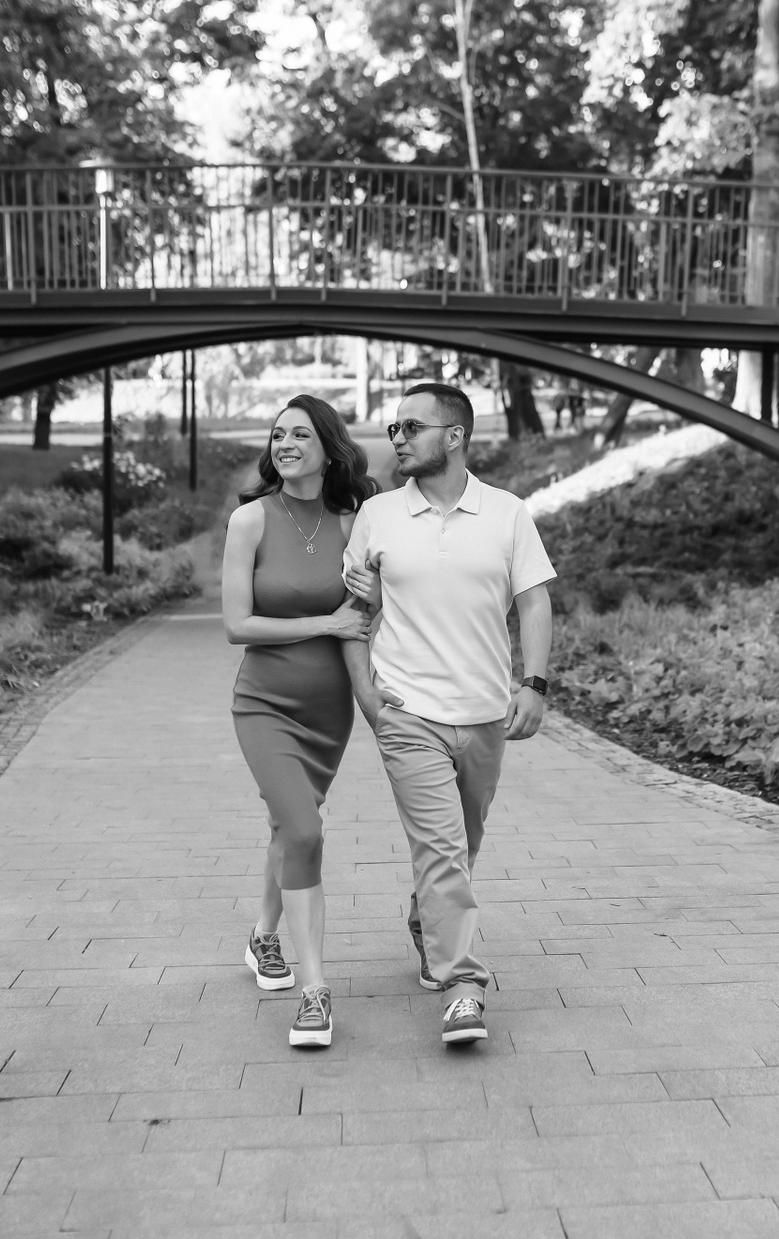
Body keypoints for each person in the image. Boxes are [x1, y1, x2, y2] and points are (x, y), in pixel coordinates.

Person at [342, 382, 556, 1046]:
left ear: (455, 435)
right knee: (441, 848)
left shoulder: (507, 512)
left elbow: (535, 601)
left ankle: (427, 919)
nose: (397, 438)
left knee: (462, 845)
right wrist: (368, 697)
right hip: (409, 712)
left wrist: (534, 684)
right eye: (394, 427)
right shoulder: (378, 515)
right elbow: (354, 615)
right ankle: (464, 985)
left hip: (486, 711)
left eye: (412, 426)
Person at [223, 394, 378, 1049]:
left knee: (290, 826)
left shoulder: (352, 522)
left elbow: (369, 615)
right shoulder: (250, 521)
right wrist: (327, 622)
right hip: (265, 703)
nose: (285, 444)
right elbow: (238, 624)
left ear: (328, 448)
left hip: (328, 711)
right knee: (306, 830)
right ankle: (315, 993)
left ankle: (264, 935)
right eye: (277, 434)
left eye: (300, 435)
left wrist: (371, 603)